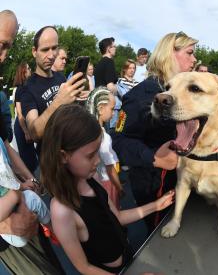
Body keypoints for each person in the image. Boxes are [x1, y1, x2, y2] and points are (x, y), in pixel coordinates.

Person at [41, 104, 174, 274]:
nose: (97, 161)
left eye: (97, 152)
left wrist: (156, 205)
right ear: (63, 156)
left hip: (127, 256)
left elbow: (116, 217)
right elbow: (84, 267)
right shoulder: (62, 210)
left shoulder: (92, 178)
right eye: (90, 155)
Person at [112, 31, 197, 233]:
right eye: (190, 53)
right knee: (160, 237)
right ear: (170, 54)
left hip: (181, 180)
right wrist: (154, 158)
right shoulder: (142, 94)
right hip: (153, 185)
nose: (194, 59)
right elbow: (118, 140)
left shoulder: (181, 93)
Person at [0, 13, 64, 275]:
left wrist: (24, 180)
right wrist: (4, 225)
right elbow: (33, 130)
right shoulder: (26, 89)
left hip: (16, 206)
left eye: (7, 47)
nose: (3, 56)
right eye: (1, 44)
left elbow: (4, 146)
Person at [21, 26, 87, 155]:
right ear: (34, 51)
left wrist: (77, 98)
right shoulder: (27, 88)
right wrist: (59, 101)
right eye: (45, 50)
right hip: (50, 161)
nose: (51, 55)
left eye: (54, 48)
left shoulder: (60, 77)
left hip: (72, 151)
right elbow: (34, 132)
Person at [86, 87, 122, 209]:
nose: (113, 113)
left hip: (96, 181)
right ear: (101, 109)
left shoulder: (87, 131)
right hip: (107, 182)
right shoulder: (103, 137)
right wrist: (119, 187)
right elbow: (110, 168)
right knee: (113, 210)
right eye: (112, 109)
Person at [13, 62, 38, 173]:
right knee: (28, 160)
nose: (30, 70)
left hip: (26, 126)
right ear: (23, 72)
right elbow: (19, 113)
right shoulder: (20, 89)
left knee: (32, 157)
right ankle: (33, 185)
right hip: (21, 127)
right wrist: (26, 132)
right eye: (28, 68)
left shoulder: (28, 87)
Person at [111, 59, 138, 129]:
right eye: (129, 68)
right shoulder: (119, 81)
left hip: (134, 113)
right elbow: (124, 96)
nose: (132, 70)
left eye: (133, 68)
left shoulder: (137, 83)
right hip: (122, 112)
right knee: (119, 130)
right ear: (125, 69)